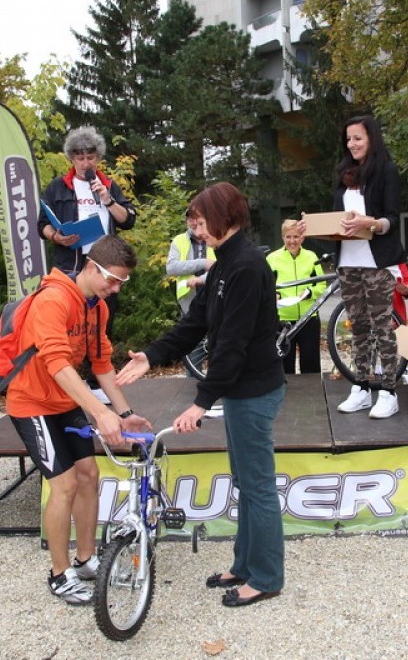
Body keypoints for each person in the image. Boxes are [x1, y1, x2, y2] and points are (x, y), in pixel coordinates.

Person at [116, 182, 285, 609]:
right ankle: (245, 565)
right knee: (247, 482)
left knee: (258, 486)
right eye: (192, 220)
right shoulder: (224, 264)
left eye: (200, 219)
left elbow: (232, 345)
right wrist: (151, 356)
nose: (196, 227)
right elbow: (196, 324)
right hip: (240, 390)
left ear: (225, 216)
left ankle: (265, 577)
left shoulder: (247, 267)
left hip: (254, 390)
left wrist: (201, 402)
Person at [5, 235, 152, 605]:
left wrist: (124, 413)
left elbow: (101, 364)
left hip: (63, 401)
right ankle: (59, 576)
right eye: (113, 280)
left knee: (90, 475)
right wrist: (99, 412)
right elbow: (56, 364)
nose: (116, 289)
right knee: (65, 484)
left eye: (123, 283)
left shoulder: (97, 306)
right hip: (32, 403)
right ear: (91, 267)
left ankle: (86, 560)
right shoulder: (53, 300)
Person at [299, 115, 407, 419]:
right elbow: (338, 220)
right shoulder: (344, 174)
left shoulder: (385, 170)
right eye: (348, 139)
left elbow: (393, 219)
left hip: (376, 262)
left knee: (381, 327)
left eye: (358, 138)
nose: (352, 144)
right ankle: (361, 387)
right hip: (348, 263)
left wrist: (369, 223)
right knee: (357, 328)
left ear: (371, 138)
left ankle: (388, 391)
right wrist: (316, 225)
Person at [37, 125, 137, 403]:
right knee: (70, 326)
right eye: (79, 157)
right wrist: (57, 236)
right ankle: (68, 380)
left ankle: (97, 383)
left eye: (90, 156)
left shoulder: (108, 184)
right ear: (71, 158)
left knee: (103, 324)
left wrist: (107, 200)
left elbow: (128, 219)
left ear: (98, 158)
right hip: (73, 266)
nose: (85, 162)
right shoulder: (58, 187)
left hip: (107, 267)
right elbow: (41, 224)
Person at [266, 219, 326, 374]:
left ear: (302, 238)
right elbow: (266, 287)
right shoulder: (272, 259)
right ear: (282, 238)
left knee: (311, 364)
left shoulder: (312, 257)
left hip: (308, 318)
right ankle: (288, 397)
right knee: (285, 366)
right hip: (282, 319)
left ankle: (313, 395)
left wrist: (309, 292)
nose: (292, 241)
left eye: (296, 237)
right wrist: (275, 294)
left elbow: (321, 285)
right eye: (288, 237)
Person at [166, 208, 216, 315]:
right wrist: (203, 263)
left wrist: (202, 279)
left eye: (197, 218)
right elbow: (171, 268)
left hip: (214, 296)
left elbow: (221, 267)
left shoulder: (214, 238)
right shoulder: (179, 240)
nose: (193, 222)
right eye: (190, 219)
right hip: (187, 301)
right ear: (187, 221)